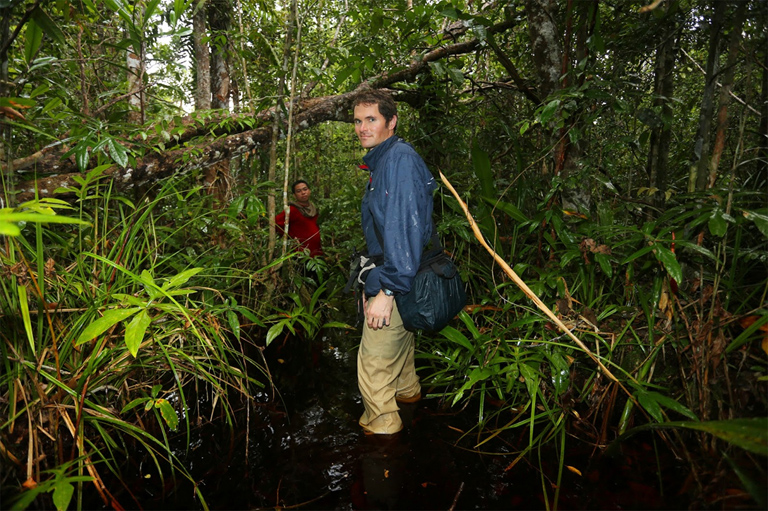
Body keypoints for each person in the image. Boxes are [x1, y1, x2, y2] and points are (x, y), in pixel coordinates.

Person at [351, 89, 436, 435]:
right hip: (404, 273)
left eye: (371, 119)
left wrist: (387, 290)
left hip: (399, 278)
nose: (362, 127)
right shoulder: (384, 160)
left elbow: (405, 227)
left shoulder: (398, 160)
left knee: (373, 365)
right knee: (401, 360)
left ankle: (383, 437)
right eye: (357, 121)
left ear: (391, 122)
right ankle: (409, 395)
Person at [274, 179, 323, 257]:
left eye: (305, 189)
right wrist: (291, 237)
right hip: (301, 254)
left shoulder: (313, 209)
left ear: (309, 191)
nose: (303, 193)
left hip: (317, 253)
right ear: (294, 195)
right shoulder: (292, 210)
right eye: (299, 191)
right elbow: (275, 223)